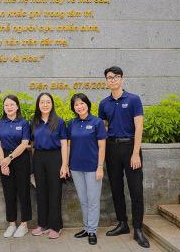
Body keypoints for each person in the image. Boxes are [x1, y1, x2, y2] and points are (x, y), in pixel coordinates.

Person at [98, 66, 150, 248]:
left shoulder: (134, 100)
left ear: (122, 79)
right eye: (109, 77)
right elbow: (103, 128)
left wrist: (136, 153)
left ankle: (138, 229)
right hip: (112, 149)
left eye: (116, 77)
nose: (112, 80)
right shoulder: (104, 104)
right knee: (116, 188)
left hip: (130, 148)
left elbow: (139, 128)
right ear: (106, 81)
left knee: (136, 190)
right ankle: (122, 223)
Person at [67, 93, 106, 245]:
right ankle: (86, 227)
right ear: (73, 108)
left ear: (87, 104)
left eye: (82, 103)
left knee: (93, 200)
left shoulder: (97, 122)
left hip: (92, 168)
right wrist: (67, 165)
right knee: (83, 200)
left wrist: (100, 167)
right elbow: (69, 145)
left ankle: (92, 231)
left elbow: (102, 146)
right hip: (76, 167)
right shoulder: (72, 123)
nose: (79, 106)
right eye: (76, 104)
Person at [30, 92, 69, 239]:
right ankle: (43, 224)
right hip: (39, 157)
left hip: (55, 157)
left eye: (48, 102)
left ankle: (56, 226)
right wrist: (33, 166)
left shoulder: (59, 122)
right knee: (41, 192)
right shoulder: (34, 122)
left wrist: (64, 165)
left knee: (55, 192)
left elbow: (64, 144)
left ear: (52, 104)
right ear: (38, 105)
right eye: (42, 102)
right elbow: (32, 145)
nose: (45, 105)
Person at [0, 95, 32, 238]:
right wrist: (2, 162)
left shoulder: (23, 123)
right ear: (4, 108)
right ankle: (11, 224)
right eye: (6, 105)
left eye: (12, 104)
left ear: (17, 106)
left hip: (21, 159)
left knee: (24, 192)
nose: (9, 107)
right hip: (4, 159)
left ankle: (24, 224)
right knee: (8, 193)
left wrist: (9, 158)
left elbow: (24, 144)